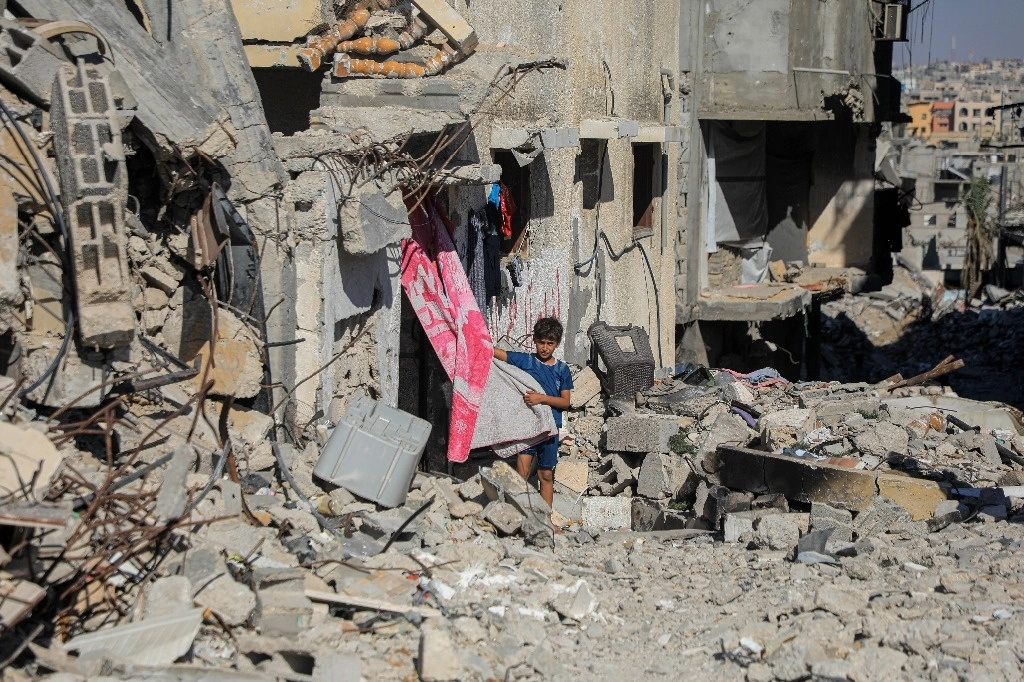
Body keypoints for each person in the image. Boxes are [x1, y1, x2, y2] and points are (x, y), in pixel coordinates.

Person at [492, 317, 573, 508]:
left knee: (545, 474)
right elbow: (497, 354)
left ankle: (547, 521)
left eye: (550, 343)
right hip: (527, 427)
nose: (545, 348)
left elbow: (565, 402)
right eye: (541, 342)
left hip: (550, 428)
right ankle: (517, 517)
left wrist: (541, 398)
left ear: (557, 344)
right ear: (534, 340)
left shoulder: (562, 369)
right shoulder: (526, 361)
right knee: (521, 473)